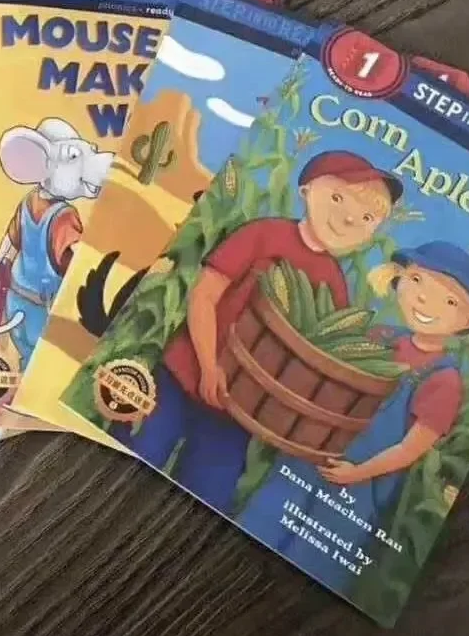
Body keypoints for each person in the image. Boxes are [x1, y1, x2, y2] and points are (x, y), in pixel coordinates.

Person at [111, 150, 403, 512]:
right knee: (132, 455)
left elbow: (314, 362)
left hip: (239, 414)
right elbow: (205, 295)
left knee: (207, 496)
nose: (348, 218)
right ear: (306, 190)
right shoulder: (264, 234)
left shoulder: (333, 286)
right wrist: (208, 365)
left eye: (367, 217)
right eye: (338, 198)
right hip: (182, 375)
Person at [238, 240, 469, 592]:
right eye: (418, 281)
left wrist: (356, 473)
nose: (425, 300)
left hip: (360, 488)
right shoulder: (378, 335)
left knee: (312, 570)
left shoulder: (444, 380)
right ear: (399, 276)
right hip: (308, 458)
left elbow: (411, 449)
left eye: (450, 301)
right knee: (256, 527)